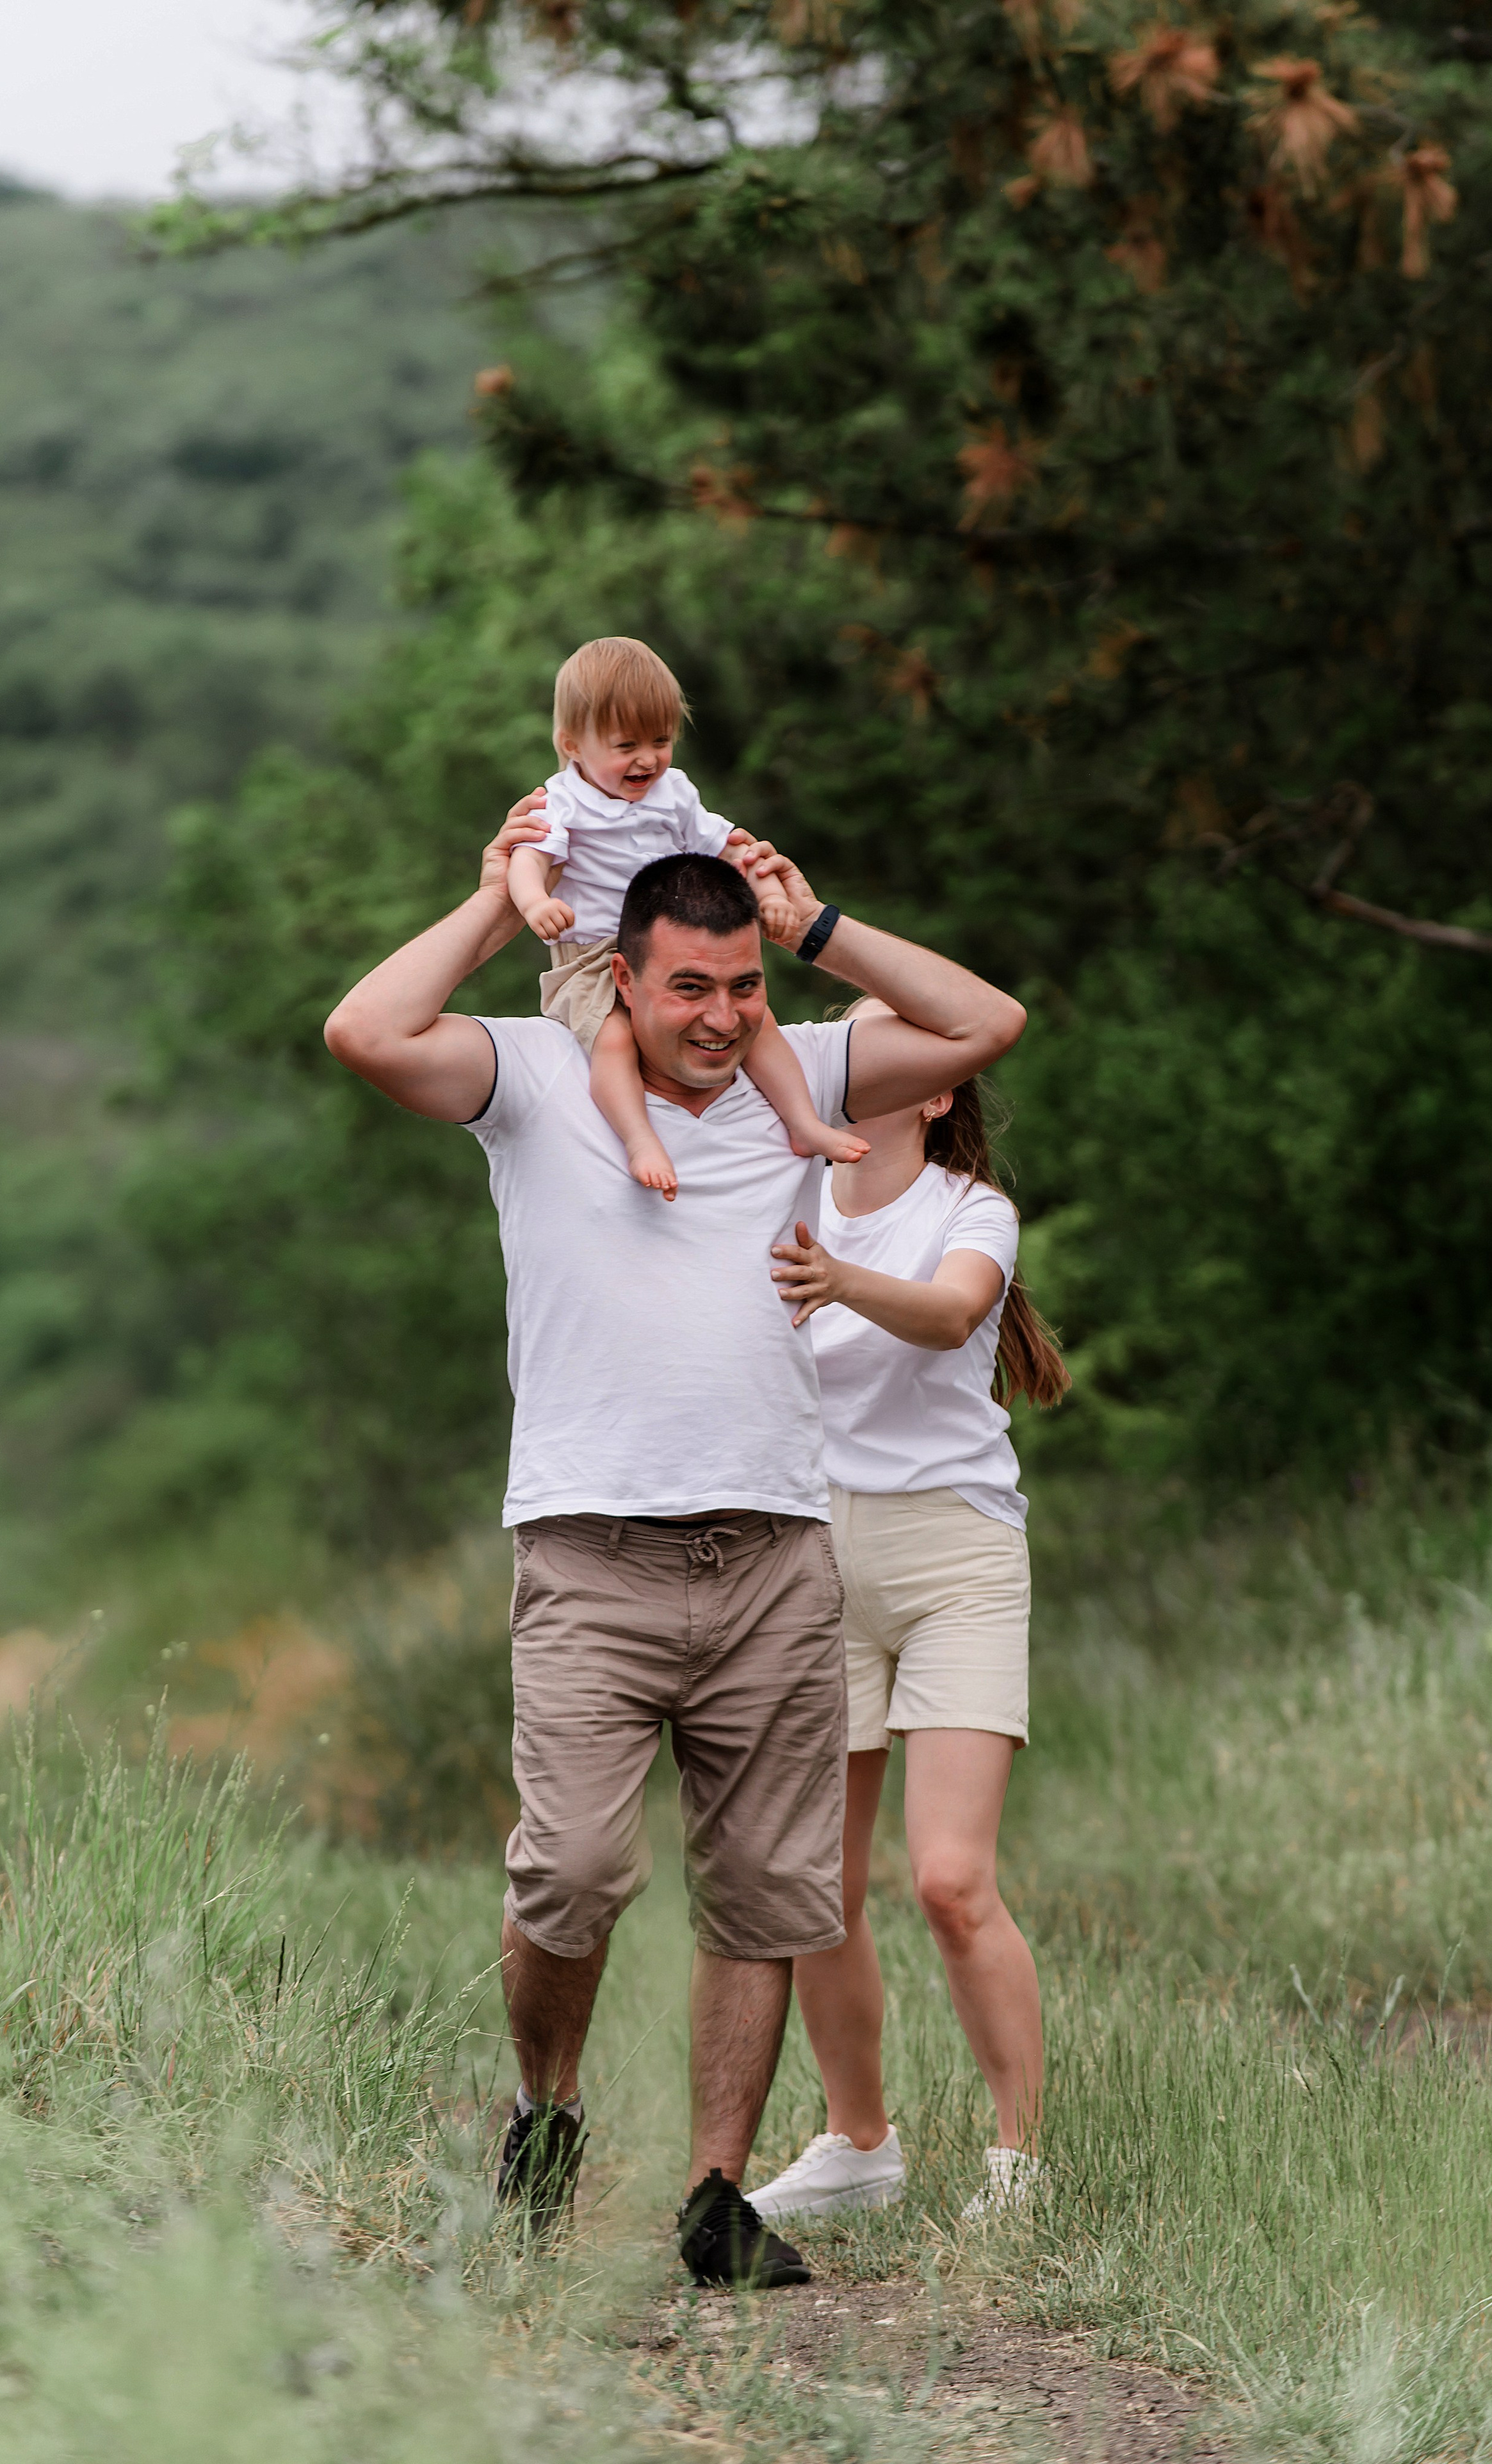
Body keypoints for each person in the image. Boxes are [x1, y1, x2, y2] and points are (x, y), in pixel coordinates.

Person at [323, 813, 1026, 2287]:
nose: (718, 1016)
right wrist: (490, 910)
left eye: (739, 987)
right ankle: (546, 2104)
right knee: (570, 1870)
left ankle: (716, 2192)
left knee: (766, 1890)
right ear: (625, 982)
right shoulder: (525, 1076)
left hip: (775, 1550)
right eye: (687, 988)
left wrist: (812, 928)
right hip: (588, 1548)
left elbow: (986, 1021)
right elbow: (364, 1027)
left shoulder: (806, 1074)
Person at [747, 999, 1068, 2227]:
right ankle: (858, 2143)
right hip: (816, 1553)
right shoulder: (785, 1187)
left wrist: (835, 1276)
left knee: (947, 1879)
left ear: (933, 1086)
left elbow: (946, 1314)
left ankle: (1018, 2163)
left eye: (885, 1048)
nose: (853, 1061)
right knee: (813, 1887)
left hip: (956, 1557)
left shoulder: (970, 1208)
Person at [507, 636, 866, 1198]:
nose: (647, 759)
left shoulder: (672, 793)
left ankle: (802, 1122)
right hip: (594, 957)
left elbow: (733, 846)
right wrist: (535, 902)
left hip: (674, 943)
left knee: (762, 1021)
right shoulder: (561, 803)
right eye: (626, 744)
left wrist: (769, 893)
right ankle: (639, 1138)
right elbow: (526, 859)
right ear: (572, 744)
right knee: (614, 1041)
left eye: (661, 740)